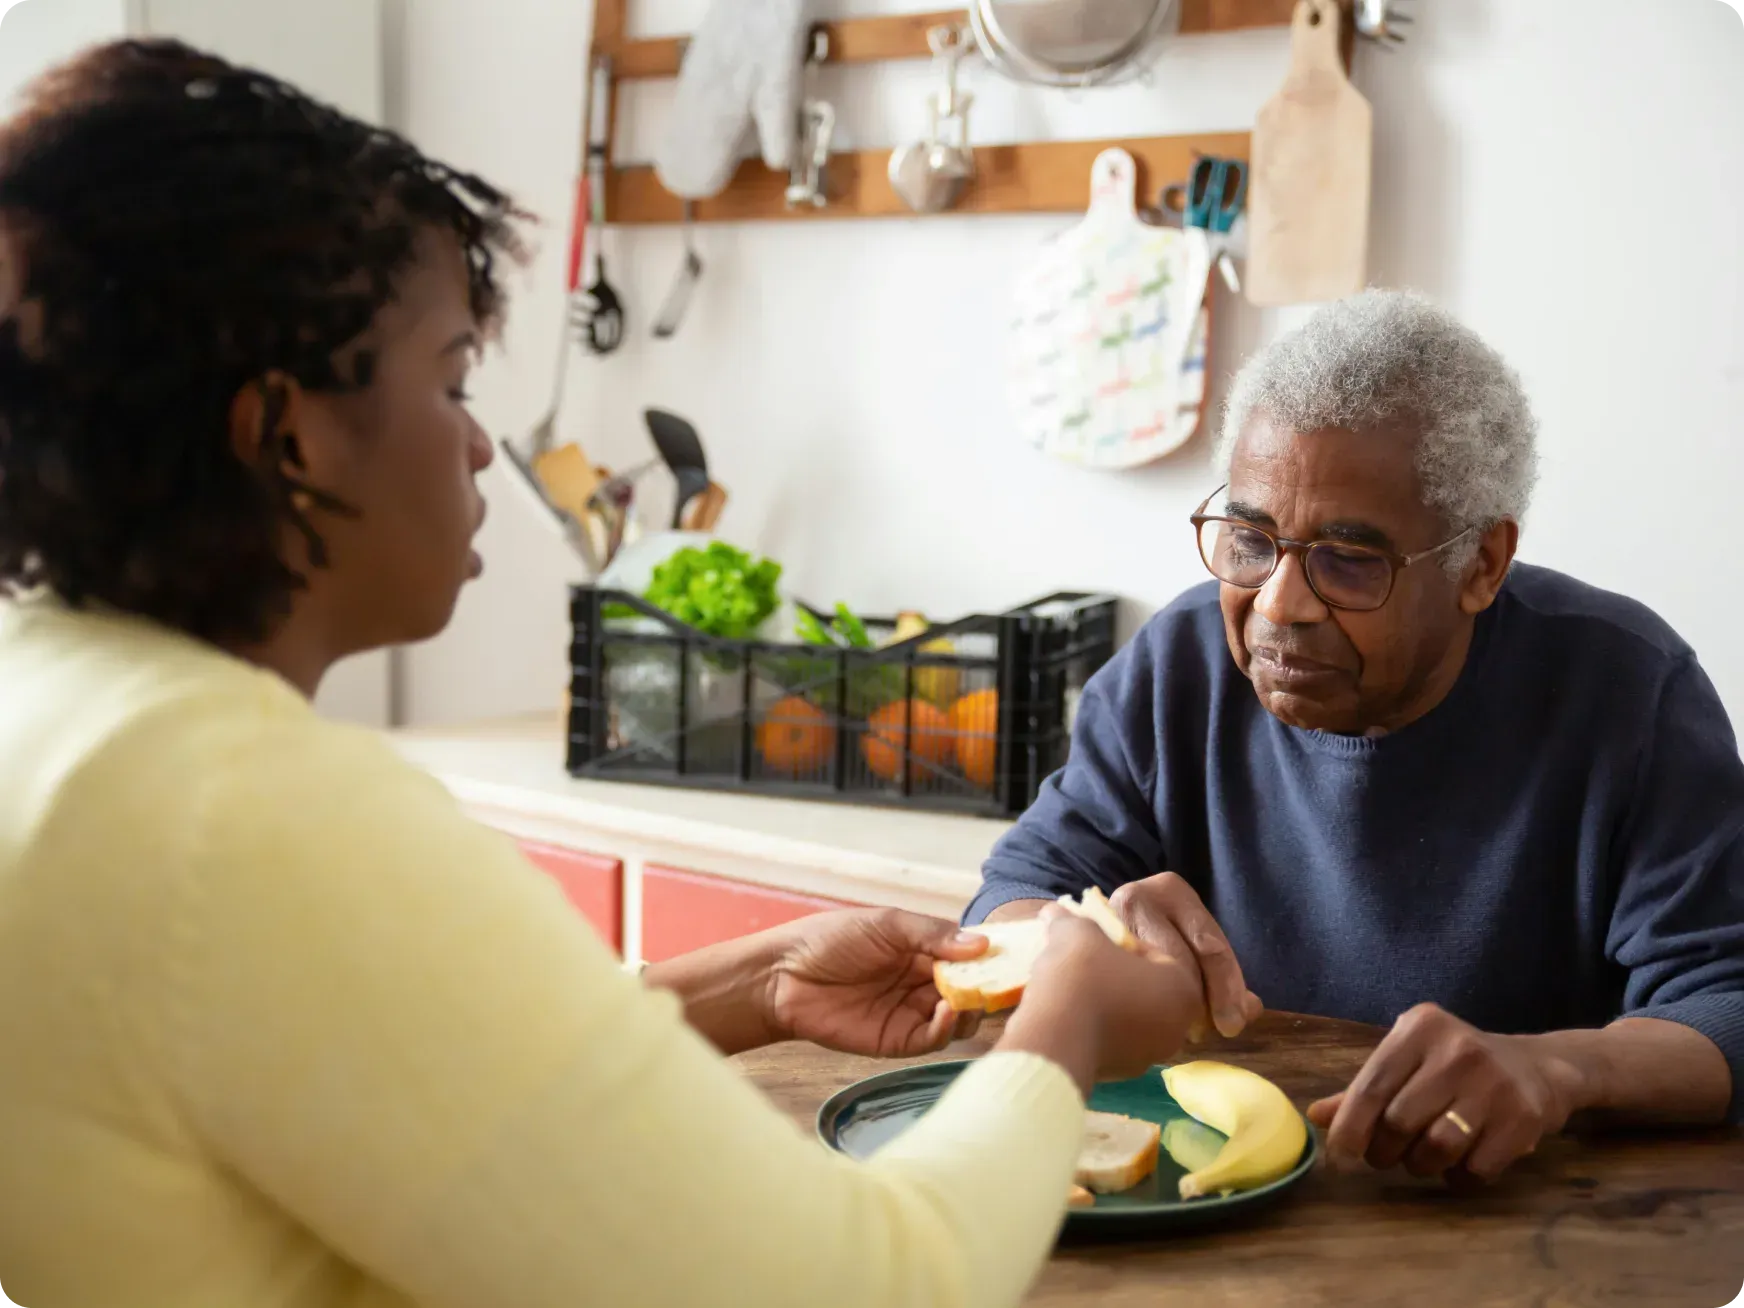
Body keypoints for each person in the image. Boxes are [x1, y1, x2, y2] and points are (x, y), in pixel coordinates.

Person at [0, 41, 1207, 1307]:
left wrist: (757, 980)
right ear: (286, 436)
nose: (478, 444)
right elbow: (866, 1284)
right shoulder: (249, 816)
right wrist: (1060, 1033)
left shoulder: (55, 705)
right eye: (453, 376)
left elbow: (420, 1078)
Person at [972, 290, 1744, 1183]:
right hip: (1210, 1199)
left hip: (1516, 1215)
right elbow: (1012, 895)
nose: (1278, 604)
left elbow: (1726, 1000)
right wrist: (1077, 936)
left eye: (1348, 560)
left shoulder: (1626, 691)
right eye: (1251, 540)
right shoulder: (1176, 667)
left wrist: (1560, 1067)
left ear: (1481, 565)